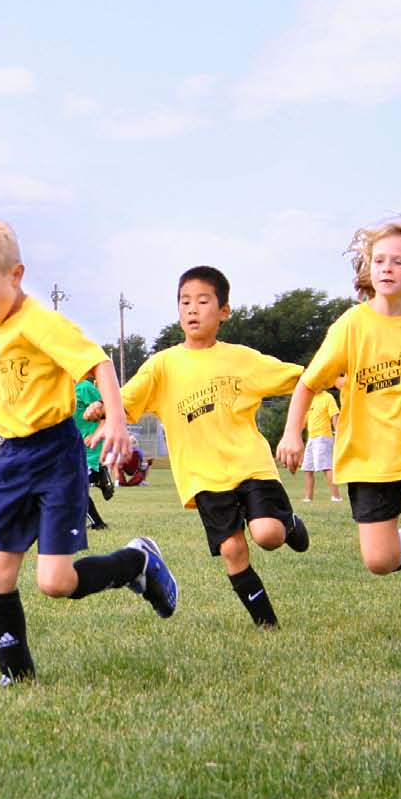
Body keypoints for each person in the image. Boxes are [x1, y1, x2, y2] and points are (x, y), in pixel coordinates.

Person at [0, 218, 177, 685]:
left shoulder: (41, 322)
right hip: (11, 459)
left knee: (55, 583)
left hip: (54, 458)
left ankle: (136, 562)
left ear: (15, 276)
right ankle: (17, 673)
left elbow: (98, 363)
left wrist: (116, 420)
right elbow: (14, 381)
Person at [278, 218, 401, 653]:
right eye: (379, 260)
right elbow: (308, 383)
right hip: (369, 457)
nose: (386, 267)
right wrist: (292, 433)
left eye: (398, 261)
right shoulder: (351, 326)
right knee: (380, 561)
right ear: (368, 269)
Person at [119, 266, 309, 630]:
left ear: (224, 311)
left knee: (268, 535)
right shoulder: (163, 365)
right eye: (185, 301)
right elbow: (126, 401)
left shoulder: (241, 359)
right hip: (203, 475)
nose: (192, 309)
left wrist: (340, 376)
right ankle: (267, 624)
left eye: (203, 301)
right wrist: (101, 409)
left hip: (250, 464)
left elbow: (300, 378)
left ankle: (289, 522)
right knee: (232, 550)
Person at [74, 372, 113, 530]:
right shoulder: (61, 393)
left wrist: (96, 434)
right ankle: (99, 477)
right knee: (73, 485)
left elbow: (107, 412)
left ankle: (98, 523)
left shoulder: (84, 387)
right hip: (75, 447)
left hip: (91, 445)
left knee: (74, 486)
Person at [301, 379, 344, 503]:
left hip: (323, 437)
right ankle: (308, 498)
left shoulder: (328, 397)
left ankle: (336, 496)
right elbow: (304, 421)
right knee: (307, 468)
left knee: (326, 466)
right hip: (311, 438)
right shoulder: (310, 399)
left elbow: (334, 415)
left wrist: (338, 432)